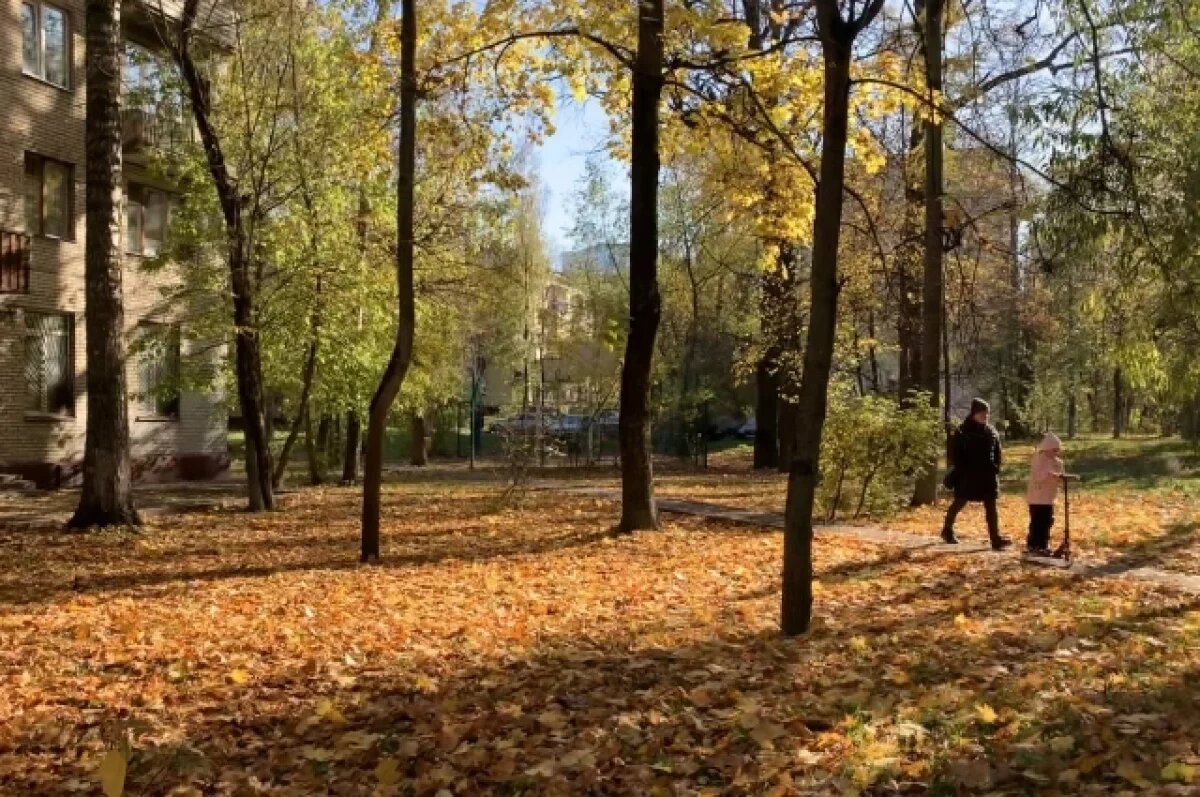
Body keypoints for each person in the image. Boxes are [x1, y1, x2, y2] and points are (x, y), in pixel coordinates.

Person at [942, 398, 1012, 550]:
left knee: (991, 506)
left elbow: (997, 452)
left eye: (987, 414)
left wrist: (996, 467)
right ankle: (947, 530)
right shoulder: (962, 431)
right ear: (974, 413)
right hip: (968, 476)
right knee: (959, 502)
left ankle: (995, 539)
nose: (985, 416)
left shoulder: (991, 432)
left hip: (988, 476)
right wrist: (964, 470)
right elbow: (955, 455)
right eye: (982, 413)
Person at [1025, 432, 1077, 556]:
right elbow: (1038, 477)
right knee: (1037, 521)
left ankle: (1043, 544)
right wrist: (1050, 474)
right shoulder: (1039, 460)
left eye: (1057, 450)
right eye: (1053, 450)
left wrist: (1066, 477)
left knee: (1048, 521)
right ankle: (1034, 545)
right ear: (1047, 448)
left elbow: (1060, 475)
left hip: (1049, 497)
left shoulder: (1058, 462)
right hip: (1037, 498)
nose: (1055, 453)